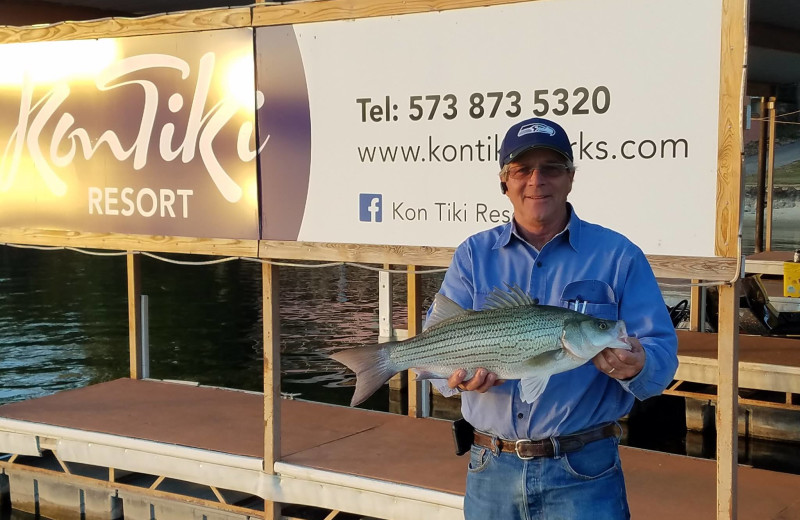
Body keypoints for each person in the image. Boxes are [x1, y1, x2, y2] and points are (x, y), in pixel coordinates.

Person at [429, 117, 678, 519]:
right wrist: (457, 380)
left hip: (585, 472)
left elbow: (662, 355)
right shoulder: (472, 255)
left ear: (571, 178)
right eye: (522, 169)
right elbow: (437, 345)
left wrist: (639, 365)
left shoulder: (619, 255)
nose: (536, 180)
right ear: (504, 182)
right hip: (490, 467)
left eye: (552, 167)